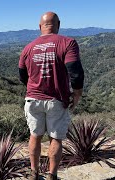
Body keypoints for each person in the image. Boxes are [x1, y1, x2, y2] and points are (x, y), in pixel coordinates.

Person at [18, 12, 84, 180]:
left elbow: (22, 75)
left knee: (35, 135)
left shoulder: (28, 48)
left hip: (32, 99)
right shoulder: (67, 43)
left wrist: (34, 86)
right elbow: (75, 71)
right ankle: (52, 175)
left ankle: (34, 173)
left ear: (40, 26)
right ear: (58, 24)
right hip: (57, 100)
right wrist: (77, 93)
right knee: (56, 138)